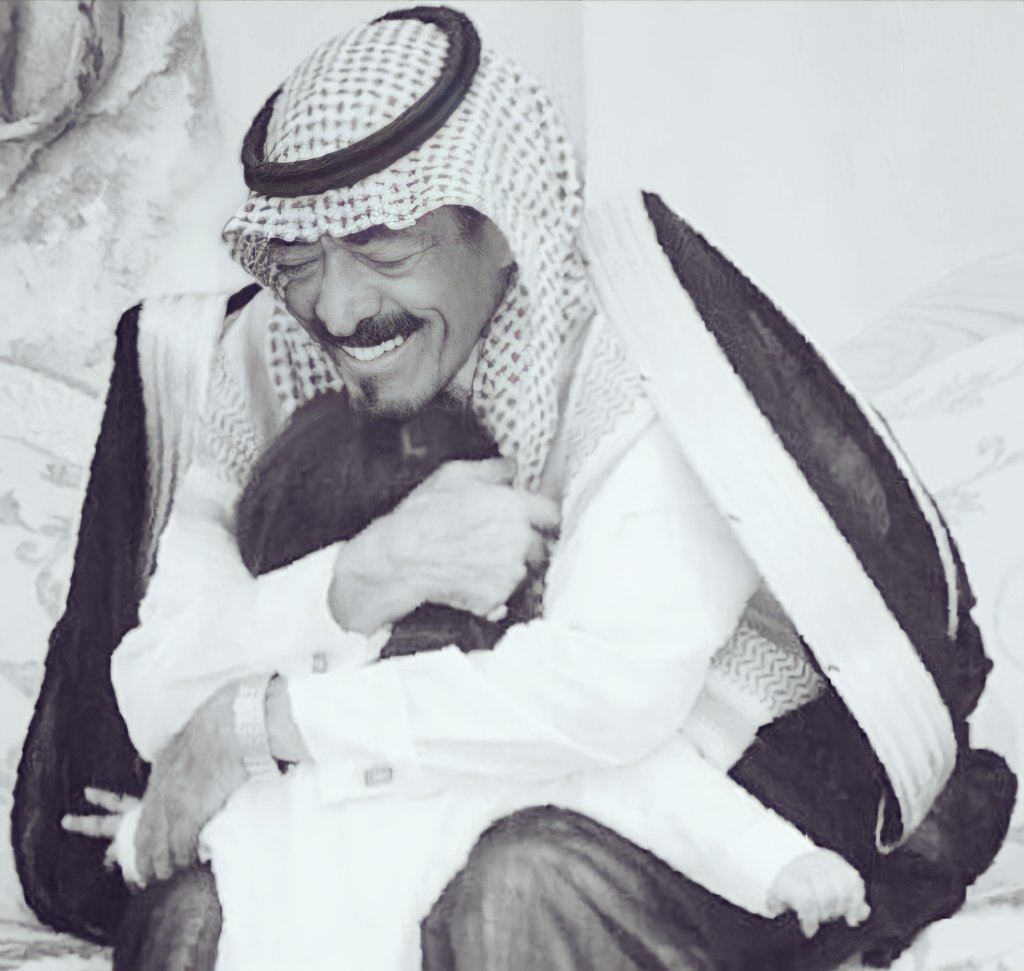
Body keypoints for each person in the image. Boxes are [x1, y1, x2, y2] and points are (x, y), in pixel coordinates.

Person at [19, 6, 1014, 971]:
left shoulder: (634, 352)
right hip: (367, 802)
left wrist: (265, 720)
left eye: (383, 246)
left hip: (682, 775)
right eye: (300, 258)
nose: (339, 308)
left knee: (517, 890)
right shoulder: (263, 356)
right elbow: (156, 687)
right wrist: (361, 579)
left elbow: (605, 696)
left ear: (496, 225)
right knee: (194, 918)